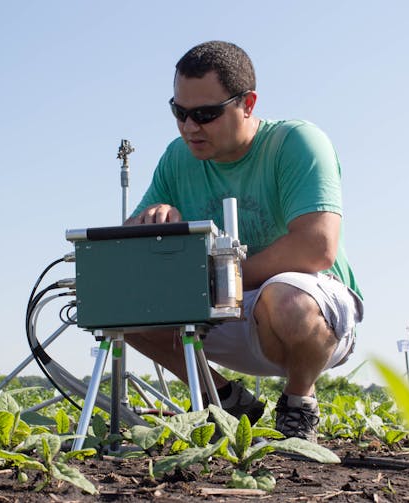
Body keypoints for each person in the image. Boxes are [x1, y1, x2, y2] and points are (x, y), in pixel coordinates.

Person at [123, 41, 363, 442]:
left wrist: (221, 280)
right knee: (122, 305)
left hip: (310, 312)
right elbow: (133, 241)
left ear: (248, 103)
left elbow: (317, 247)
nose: (189, 127)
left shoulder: (296, 143)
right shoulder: (177, 158)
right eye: (179, 113)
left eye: (205, 114)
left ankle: (298, 403)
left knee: (285, 298)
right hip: (222, 307)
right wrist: (152, 219)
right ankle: (225, 398)